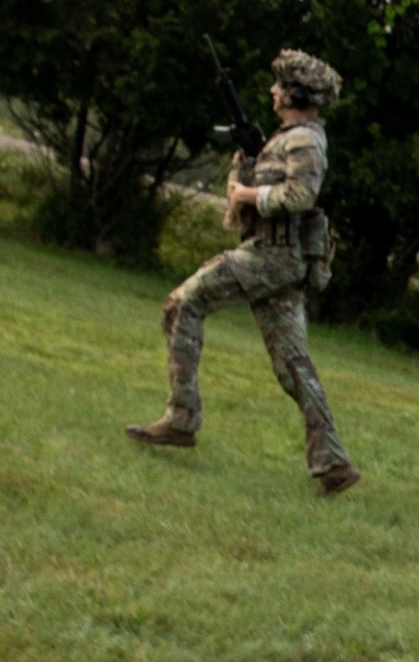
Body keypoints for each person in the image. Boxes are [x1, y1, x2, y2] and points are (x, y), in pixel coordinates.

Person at [125, 49, 360, 496]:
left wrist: (249, 193)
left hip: (272, 258)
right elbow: (245, 204)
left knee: (182, 303)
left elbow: (300, 196)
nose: (272, 91)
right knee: (293, 366)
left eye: (279, 85)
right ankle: (334, 464)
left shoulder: (306, 141)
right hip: (275, 258)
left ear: (298, 93)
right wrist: (243, 168)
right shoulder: (285, 138)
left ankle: (181, 418)